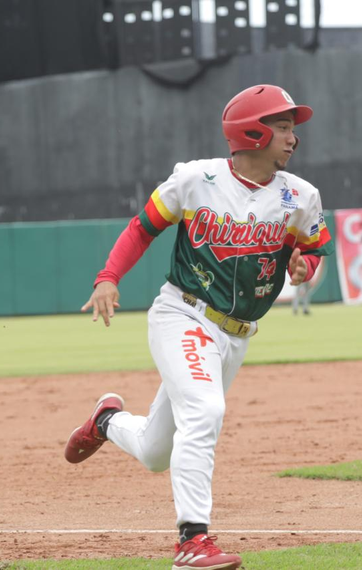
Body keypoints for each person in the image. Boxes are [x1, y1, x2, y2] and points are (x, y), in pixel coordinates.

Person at [64, 85, 334, 570]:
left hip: (236, 335)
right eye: (283, 127)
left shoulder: (300, 196)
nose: (293, 138)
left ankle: (105, 421)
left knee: (155, 452)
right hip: (183, 314)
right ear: (252, 132)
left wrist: (305, 266)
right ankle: (192, 541)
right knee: (206, 410)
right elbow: (142, 228)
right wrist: (108, 277)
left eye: (292, 128)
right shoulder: (195, 179)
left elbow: (315, 248)